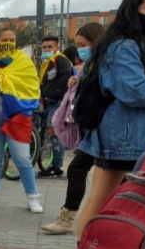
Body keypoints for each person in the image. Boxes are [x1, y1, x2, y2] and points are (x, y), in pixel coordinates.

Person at [76, 0, 145, 239]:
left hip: (134, 136)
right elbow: (137, 92)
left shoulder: (140, 45)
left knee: (106, 200)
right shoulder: (123, 46)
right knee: (99, 200)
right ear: (133, 12)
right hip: (123, 136)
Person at [41, 22, 106, 234]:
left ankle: (73, 220)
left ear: (96, 42)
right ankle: (69, 219)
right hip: (90, 130)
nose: (80, 49)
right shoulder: (88, 66)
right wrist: (74, 83)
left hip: (104, 131)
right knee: (82, 170)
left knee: (95, 174)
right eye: (77, 45)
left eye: (84, 44)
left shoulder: (106, 65)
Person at [0, 28, 43, 213]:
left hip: (17, 117)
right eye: (4, 39)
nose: (8, 43)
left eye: (12, 40)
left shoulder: (23, 62)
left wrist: (1, 81)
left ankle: (33, 197)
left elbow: (31, 86)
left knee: (22, 158)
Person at [38, 35, 73, 177]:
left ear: (57, 47)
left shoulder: (61, 60)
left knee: (54, 133)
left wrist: (56, 94)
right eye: (44, 47)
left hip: (56, 102)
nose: (46, 49)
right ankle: (54, 165)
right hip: (48, 102)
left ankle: (57, 167)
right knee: (51, 133)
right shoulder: (47, 63)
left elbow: (65, 77)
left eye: (50, 47)